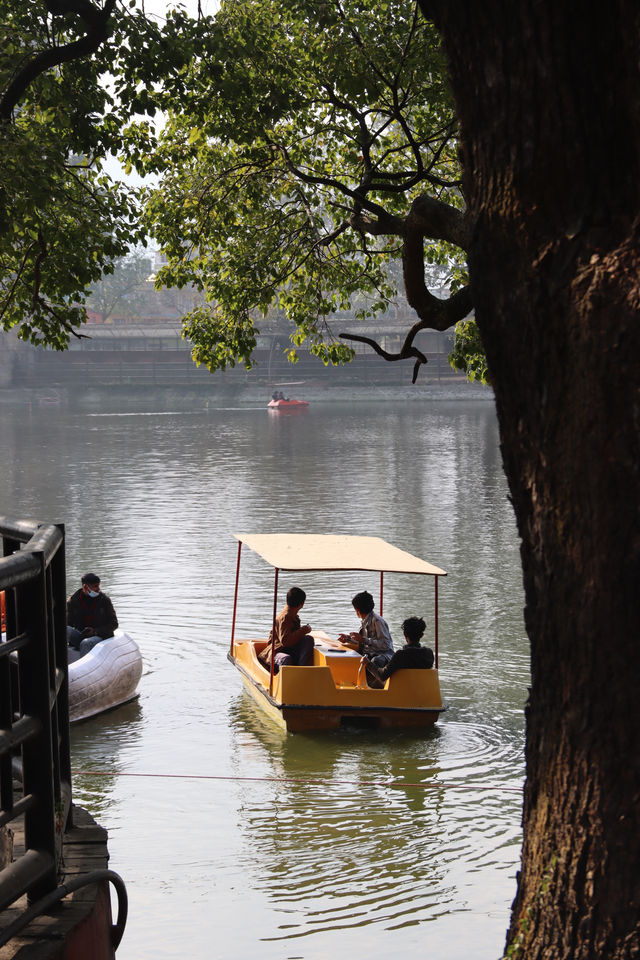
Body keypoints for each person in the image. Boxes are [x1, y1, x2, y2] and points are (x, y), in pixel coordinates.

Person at [365, 616, 434, 688]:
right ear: (422, 635)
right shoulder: (429, 653)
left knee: (373, 683)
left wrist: (368, 663)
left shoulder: (401, 655)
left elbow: (382, 676)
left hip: (401, 691)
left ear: (404, 634)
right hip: (423, 690)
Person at [258, 586, 314, 671]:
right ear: (301, 604)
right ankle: (290, 677)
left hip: (289, 649)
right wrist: (304, 630)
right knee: (286, 659)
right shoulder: (285, 617)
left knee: (308, 639)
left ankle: (302, 670)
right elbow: (286, 641)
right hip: (276, 652)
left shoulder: (292, 614)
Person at [338, 590, 394, 667]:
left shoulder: (377, 621)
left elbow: (385, 644)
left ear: (357, 610)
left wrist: (364, 640)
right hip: (368, 654)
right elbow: (362, 642)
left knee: (376, 661)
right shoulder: (364, 621)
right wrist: (348, 639)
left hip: (383, 655)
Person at [67, 573, 118, 656]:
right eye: (95, 586)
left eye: (98, 586)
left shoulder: (104, 600)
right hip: (81, 635)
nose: (98, 589)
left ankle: (83, 667)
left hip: (100, 636)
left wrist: (95, 631)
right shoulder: (73, 600)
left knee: (85, 643)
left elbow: (114, 624)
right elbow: (68, 622)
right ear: (85, 587)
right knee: (65, 630)